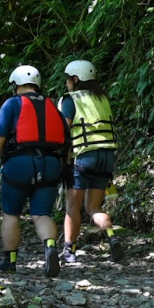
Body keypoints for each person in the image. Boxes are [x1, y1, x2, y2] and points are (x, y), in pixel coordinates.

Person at [0, 65, 66, 277]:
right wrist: (65, 166)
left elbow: (0, 135)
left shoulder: (12, 104)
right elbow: (66, 139)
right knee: (41, 214)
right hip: (51, 163)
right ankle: (49, 246)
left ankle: (9, 261)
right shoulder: (52, 106)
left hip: (20, 162)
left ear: (15, 84)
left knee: (11, 213)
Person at [58, 60, 124, 264]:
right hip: (106, 157)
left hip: (84, 157)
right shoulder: (102, 98)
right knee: (94, 208)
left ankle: (69, 250)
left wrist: (62, 159)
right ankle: (112, 238)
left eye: (68, 79)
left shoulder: (70, 100)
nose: (67, 83)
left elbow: (64, 131)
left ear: (75, 79)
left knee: (73, 207)